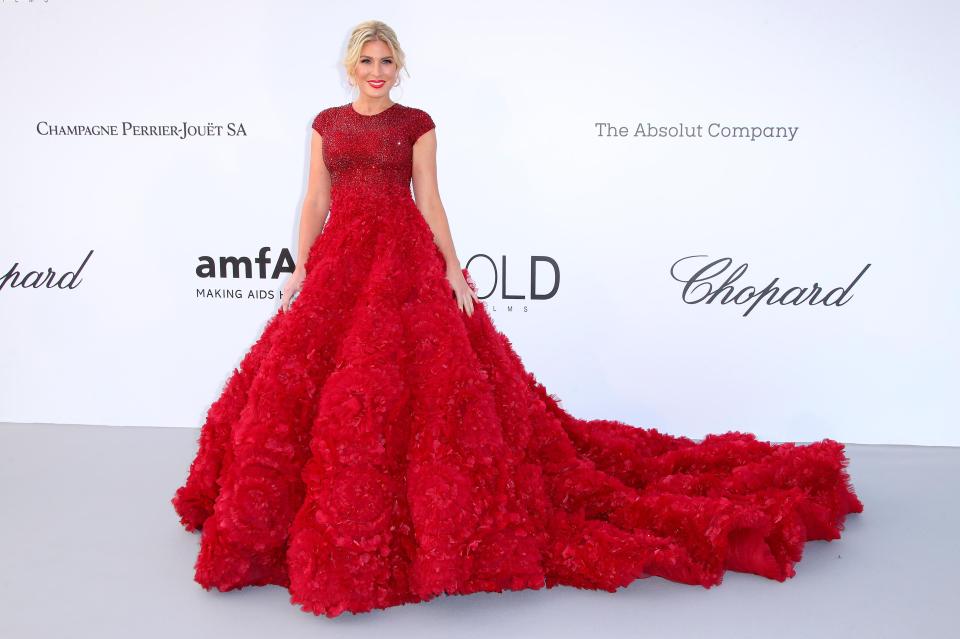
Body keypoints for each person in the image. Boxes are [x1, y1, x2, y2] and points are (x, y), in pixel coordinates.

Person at [172, 20, 864, 619]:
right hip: (341, 261)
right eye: (367, 60)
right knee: (324, 391)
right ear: (349, 65)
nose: (377, 71)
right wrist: (299, 264)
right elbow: (313, 201)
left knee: (426, 389)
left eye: (388, 61)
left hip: (405, 260)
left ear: (398, 67)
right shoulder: (325, 123)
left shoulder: (418, 125)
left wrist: (451, 268)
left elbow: (433, 202)